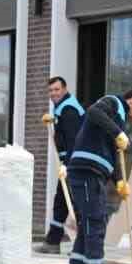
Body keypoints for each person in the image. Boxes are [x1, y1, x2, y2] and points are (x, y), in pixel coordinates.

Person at [65, 88, 132, 264]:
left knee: (89, 219)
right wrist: (118, 132)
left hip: (94, 172)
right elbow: (93, 112)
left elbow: (114, 154)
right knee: (95, 218)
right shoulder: (112, 102)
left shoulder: (116, 118)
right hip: (87, 170)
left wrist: (120, 180)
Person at [36, 77, 84, 255]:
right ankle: (53, 241)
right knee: (61, 201)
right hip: (68, 161)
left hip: (75, 163)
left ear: (64, 89)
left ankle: (83, 246)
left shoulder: (69, 109)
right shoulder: (61, 108)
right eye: (50, 91)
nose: (53, 93)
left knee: (77, 203)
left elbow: (74, 140)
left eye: (56, 90)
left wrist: (68, 165)